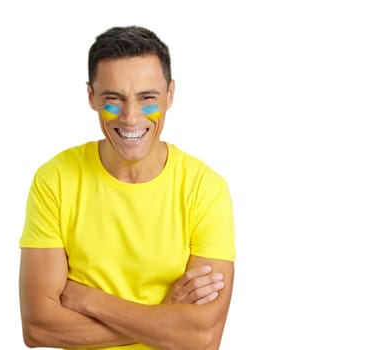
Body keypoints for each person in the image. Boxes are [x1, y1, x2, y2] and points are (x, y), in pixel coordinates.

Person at [18, 25, 236, 350]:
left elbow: (202, 338)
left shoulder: (205, 189)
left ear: (170, 95)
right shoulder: (55, 179)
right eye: (113, 98)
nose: (131, 118)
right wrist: (164, 316)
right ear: (91, 96)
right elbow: (38, 329)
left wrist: (89, 300)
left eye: (147, 98)